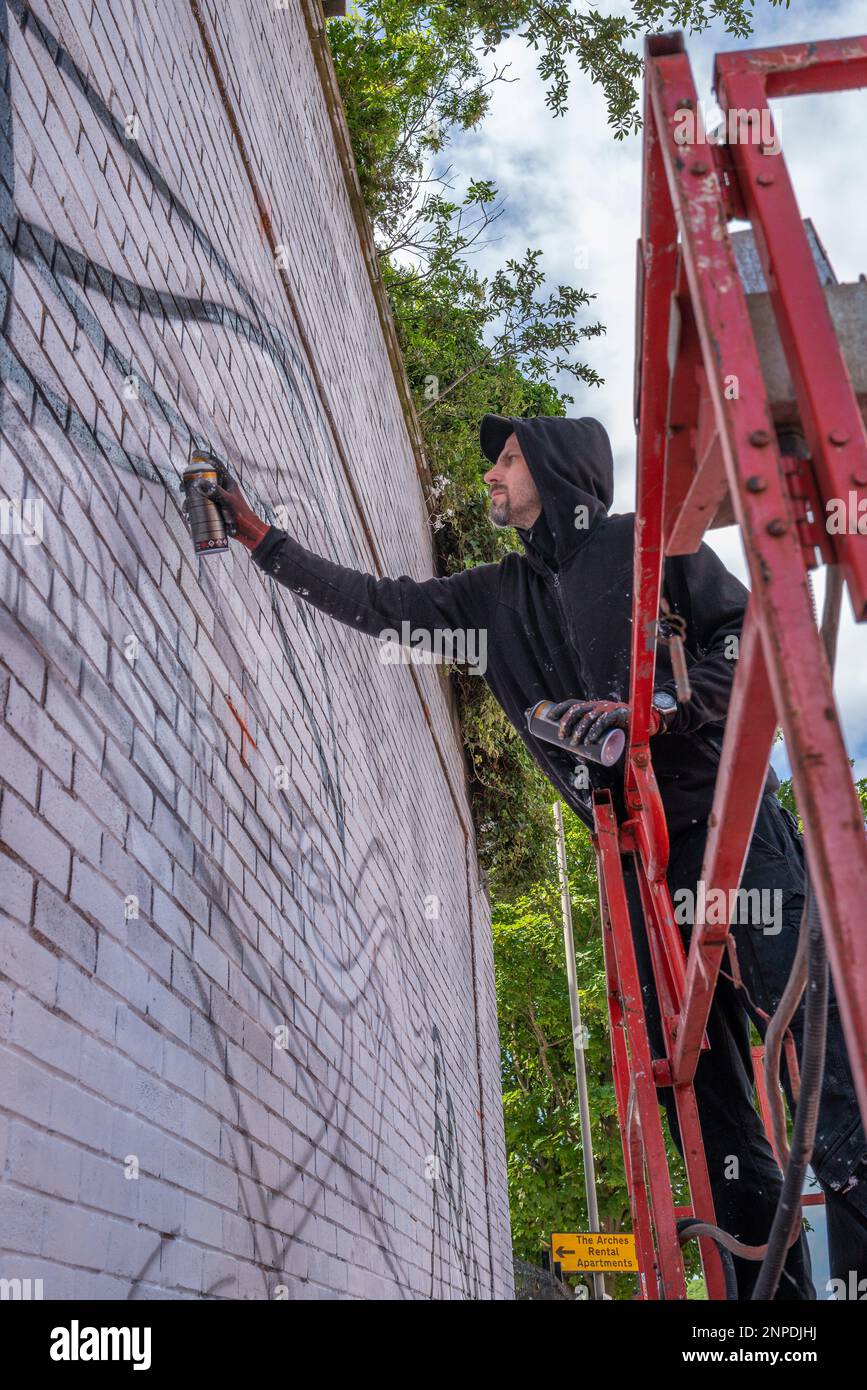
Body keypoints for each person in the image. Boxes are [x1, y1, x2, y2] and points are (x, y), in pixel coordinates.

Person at [190, 413, 867, 1299]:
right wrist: (258, 539)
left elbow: (746, 642)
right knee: (706, 1111)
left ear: (555, 465)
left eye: (508, 458)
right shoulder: (491, 599)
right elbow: (384, 606)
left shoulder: (645, 545)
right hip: (632, 862)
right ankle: (769, 1327)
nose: (492, 475)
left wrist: (657, 705)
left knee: (817, 1064)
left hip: (730, 831)